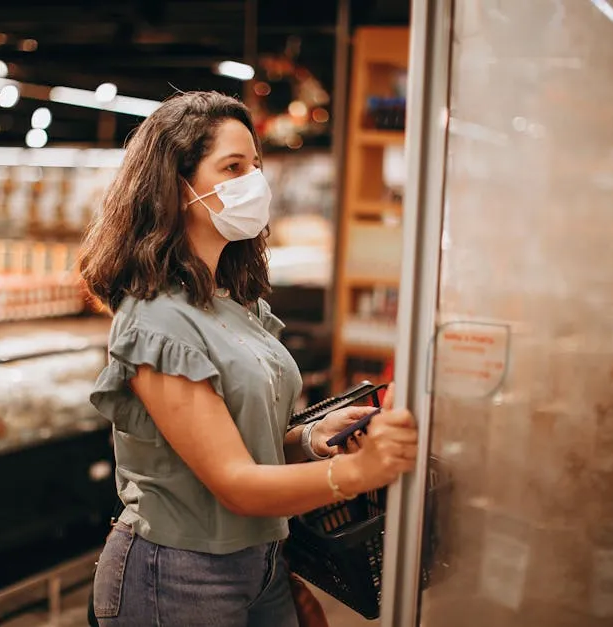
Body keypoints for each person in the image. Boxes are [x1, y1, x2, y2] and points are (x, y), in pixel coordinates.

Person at [79, 91, 419, 627]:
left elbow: (244, 441)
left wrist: (313, 437)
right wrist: (360, 471)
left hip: (260, 564)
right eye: (232, 167)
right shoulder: (156, 319)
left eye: (255, 166)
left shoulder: (235, 303)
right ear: (176, 185)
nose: (253, 182)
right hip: (177, 576)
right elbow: (235, 482)